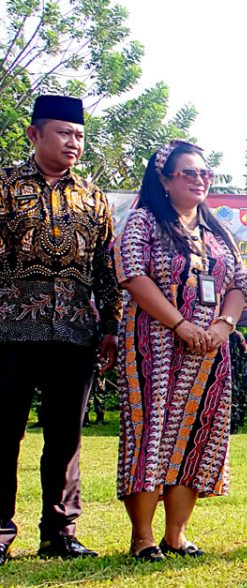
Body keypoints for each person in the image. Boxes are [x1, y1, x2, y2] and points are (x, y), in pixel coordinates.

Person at [114, 140, 247, 561]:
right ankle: (143, 537)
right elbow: (132, 275)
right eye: (188, 173)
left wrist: (222, 326)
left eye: (204, 174)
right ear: (164, 179)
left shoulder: (218, 232)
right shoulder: (143, 222)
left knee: (197, 435)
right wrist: (179, 323)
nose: (199, 180)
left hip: (209, 350)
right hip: (154, 347)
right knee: (149, 434)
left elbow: (241, 285)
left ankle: (176, 535)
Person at [0, 94, 121, 564]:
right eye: (64, 133)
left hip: (74, 333)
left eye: (80, 136)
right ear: (34, 135)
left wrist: (109, 325)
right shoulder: (5, 186)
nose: (73, 143)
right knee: (3, 431)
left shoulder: (93, 198)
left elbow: (107, 270)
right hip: (8, 331)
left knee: (66, 435)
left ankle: (60, 531)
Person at [228, 328, 247, 433]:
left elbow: (245, 352)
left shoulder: (238, 335)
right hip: (221, 370)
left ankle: (234, 427)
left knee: (234, 399)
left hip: (235, 373)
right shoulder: (218, 332)